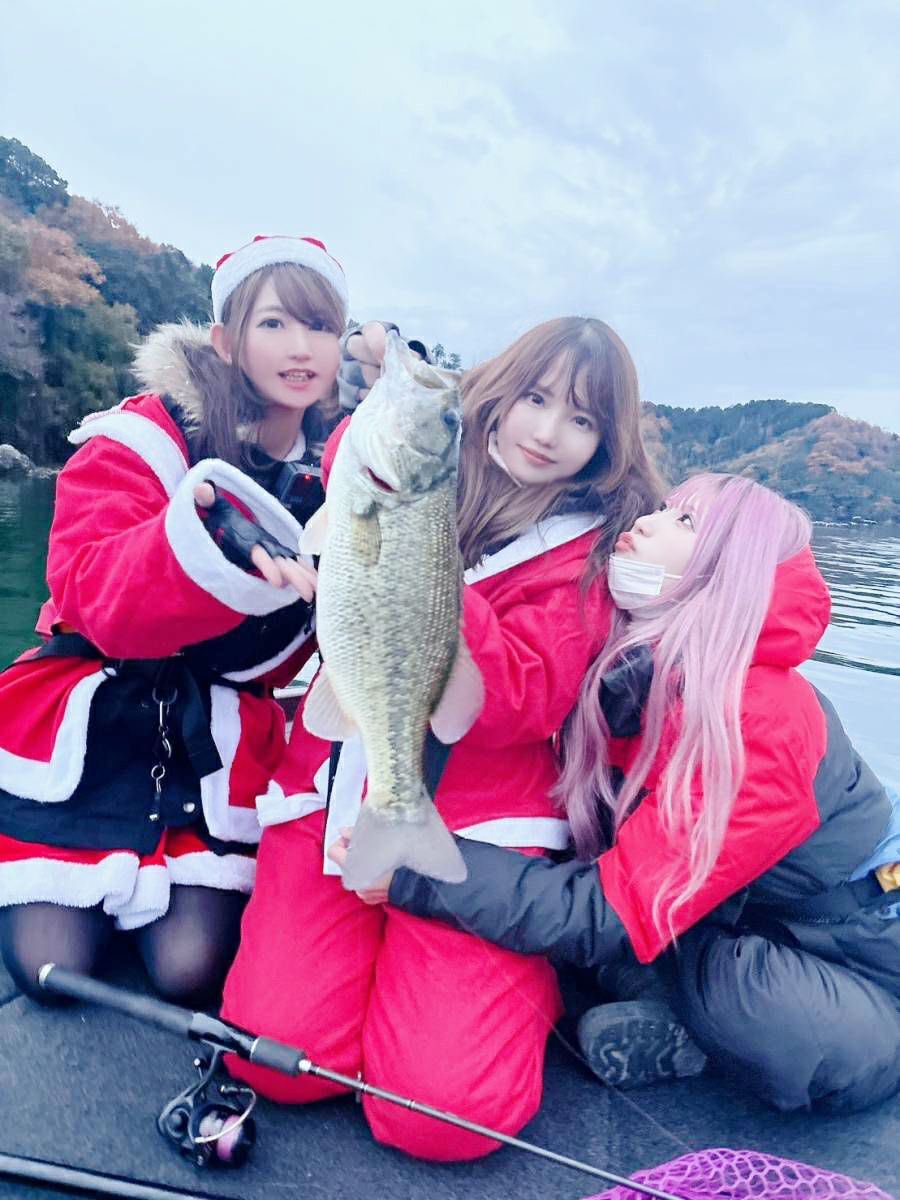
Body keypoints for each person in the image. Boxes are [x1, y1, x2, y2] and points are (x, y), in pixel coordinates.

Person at [221, 316, 665, 1160]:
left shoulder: (594, 557)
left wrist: (425, 579)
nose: (547, 431)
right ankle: (369, 972)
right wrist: (387, 379)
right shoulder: (414, 459)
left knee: (442, 1116)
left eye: (580, 419)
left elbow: (522, 699)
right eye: (535, 398)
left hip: (475, 839)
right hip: (335, 795)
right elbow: (362, 452)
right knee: (278, 1062)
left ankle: (495, 988)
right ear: (497, 394)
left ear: (608, 443)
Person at [371, 473, 900, 1114]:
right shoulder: (638, 669)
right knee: (634, 944)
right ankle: (660, 998)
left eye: (686, 522)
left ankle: (677, 1009)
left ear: (730, 571)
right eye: (664, 509)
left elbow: (614, 909)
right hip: (739, 910)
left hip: (860, 945)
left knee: (752, 1003)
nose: (645, 522)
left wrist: (421, 871)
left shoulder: (764, 725)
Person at [0, 235, 349, 1006]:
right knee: (51, 969)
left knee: (190, 968)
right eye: (274, 324)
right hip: (94, 706)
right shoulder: (141, 437)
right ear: (225, 340)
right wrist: (199, 545)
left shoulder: (341, 475)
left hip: (214, 739)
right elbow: (85, 590)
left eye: (321, 327)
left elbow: (293, 658)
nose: (300, 348)